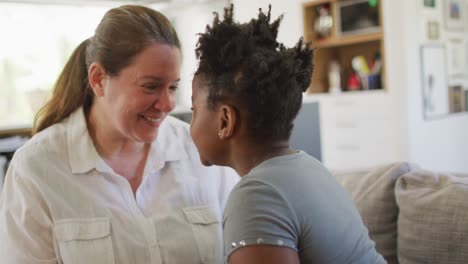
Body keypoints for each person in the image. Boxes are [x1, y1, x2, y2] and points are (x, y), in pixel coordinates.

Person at [0, 5, 239, 264]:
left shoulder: (202, 151)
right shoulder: (36, 169)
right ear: (99, 78)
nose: (167, 104)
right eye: (151, 86)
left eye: (172, 87)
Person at [190, 4, 386, 264]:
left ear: (225, 120)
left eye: (194, 110)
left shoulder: (257, 195)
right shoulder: (311, 167)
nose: (190, 123)